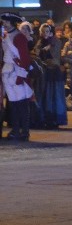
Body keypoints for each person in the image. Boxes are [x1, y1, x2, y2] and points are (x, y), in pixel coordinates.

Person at [2, 12, 35, 140]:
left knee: (22, 104)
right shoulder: (6, 36)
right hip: (8, 72)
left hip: (17, 72)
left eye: (5, 21)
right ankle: (16, 130)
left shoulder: (18, 37)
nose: (3, 23)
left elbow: (25, 58)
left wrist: (21, 76)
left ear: (10, 22)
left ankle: (25, 131)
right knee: (14, 104)